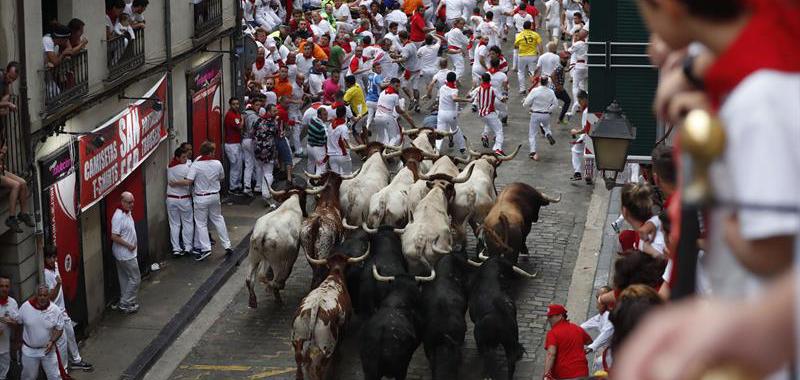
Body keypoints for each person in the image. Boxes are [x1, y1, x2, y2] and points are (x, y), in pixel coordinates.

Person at [174, 142, 233, 260]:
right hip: (215, 195)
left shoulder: (196, 165)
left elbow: (189, 181)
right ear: (210, 152)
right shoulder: (217, 163)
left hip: (201, 197)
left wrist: (175, 182)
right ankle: (227, 245)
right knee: (218, 219)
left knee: (201, 223)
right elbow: (222, 178)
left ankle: (206, 248)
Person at [43, 249, 92, 372]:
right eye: (50, 257)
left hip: (62, 310)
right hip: (54, 313)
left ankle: (76, 360)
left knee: (70, 333)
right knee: (62, 342)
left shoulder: (55, 265)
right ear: (45, 259)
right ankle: (63, 370)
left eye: (54, 257)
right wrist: (58, 285)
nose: (53, 260)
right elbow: (50, 297)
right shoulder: (45, 273)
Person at [19, 285, 64, 380]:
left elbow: (59, 328)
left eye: (45, 295)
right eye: (40, 295)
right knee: (28, 378)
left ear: (49, 296)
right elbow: (18, 324)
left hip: (48, 351)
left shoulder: (55, 310)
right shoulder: (25, 307)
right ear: (36, 295)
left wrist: (52, 341)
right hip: (29, 351)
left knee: (55, 377)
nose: (42, 298)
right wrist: (17, 343)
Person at [109, 192, 141, 312]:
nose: (132, 204)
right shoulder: (118, 216)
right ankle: (126, 302)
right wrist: (129, 246)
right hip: (126, 255)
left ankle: (126, 300)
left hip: (125, 254)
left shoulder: (127, 213)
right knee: (135, 278)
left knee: (125, 278)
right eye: (129, 202)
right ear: (122, 202)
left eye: (132, 201)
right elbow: (114, 236)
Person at [543, 304, 592, 380]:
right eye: (548, 317)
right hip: (583, 374)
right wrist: (584, 351)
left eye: (551, 317)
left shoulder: (553, 333)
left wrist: (546, 375)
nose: (548, 319)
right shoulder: (577, 328)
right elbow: (590, 341)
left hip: (564, 374)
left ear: (560, 316)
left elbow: (551, 354)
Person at [372, 77, 416, 146]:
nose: (398, 88)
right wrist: (410, 120)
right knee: (394, 138)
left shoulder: (382, 92)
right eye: (396, 86)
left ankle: (379, 150)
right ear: (391, 84)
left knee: (381, 138)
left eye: (399, 86)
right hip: (387, 118)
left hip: (377, 117)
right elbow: (399, 110)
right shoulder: (395, 96)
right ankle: (389, 150)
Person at [166, 148, 194, 256]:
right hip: (184, 198)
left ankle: (176, 248)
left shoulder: (169, 167)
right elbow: (190, 181)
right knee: (187, 223)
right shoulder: (187, 168)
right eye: (183, 157)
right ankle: (187, 247)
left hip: (171, 199)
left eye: (186, 157)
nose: (186, 159)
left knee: (174, 224)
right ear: (177, 157)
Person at [470, 72, 507, 154]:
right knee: (499, 130)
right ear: (490, 80)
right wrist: (505, 96)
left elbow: (469, 96)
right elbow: (502, 99)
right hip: (490, 113)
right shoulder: (493, 89)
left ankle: (484, 135)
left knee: (489, 123)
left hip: (481, 114)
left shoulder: (478, 88)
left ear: (482, 80)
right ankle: (498, 148)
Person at [0, 145, 34, 233]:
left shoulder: (2, 138)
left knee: (23, 183)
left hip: (2, 171)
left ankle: (23, 213)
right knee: (16, 185)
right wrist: (2, 153)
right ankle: (11, 218)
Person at [435, 72, 472, 153]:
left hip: (441, 114)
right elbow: (454, 98)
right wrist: (467, 100)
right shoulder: (454, 90)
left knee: (440, 133)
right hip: (451, 114)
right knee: (455, 129)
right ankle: (462, 147)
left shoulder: (442, 88)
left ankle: (436, 150)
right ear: (454, 80)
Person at [522, 76, 557, 161]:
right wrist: (549, 110)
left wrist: (524, 104)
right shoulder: (551, 92)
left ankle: (533, 152)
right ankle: (548, 134)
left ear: (540, 81)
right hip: (546, 114)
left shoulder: (535, 90)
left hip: (535, 114)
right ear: (547, 83)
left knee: (532, 134)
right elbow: (555, 104)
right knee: (546, 127)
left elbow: (527, 102)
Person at [580, 286, 614, 373]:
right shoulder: (602, 315)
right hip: (610, 349)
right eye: (597, 298)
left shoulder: (610, 315)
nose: (598, 302)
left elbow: (607, 332)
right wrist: (576, 329)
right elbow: (591, 322)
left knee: (600, 364)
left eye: (601, 299)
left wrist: (590, 348)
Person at [252, 105, 279, 207]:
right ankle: (266, 194)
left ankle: (259, 188)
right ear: (268, 111)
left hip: (258, 150)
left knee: (260, 170)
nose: (276, 112)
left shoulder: (258, 120)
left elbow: (252, 133)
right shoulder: (273, 122)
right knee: (268, 173)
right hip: (269, 151)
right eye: (273, 111)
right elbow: (277, 134)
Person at [242, 96, 264, 195]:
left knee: (248, 164)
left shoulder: (244, 114)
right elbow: (254, 130)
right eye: (257, 105)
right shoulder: (254, 116)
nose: (258, 107)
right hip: (252, 140)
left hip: (244, 140)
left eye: (260, 105)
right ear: (252, 105)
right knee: (258, 164)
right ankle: (258, 186)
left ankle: (247, 186)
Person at [514, 21, 543, 94]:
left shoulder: (519, 35)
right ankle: (533, 88)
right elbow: (540, 45)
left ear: (523, 27)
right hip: (533, 55)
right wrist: (541, 54)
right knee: (532, 72)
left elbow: (516, 46)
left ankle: (522, 89)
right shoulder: (535, 34)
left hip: (522, 56)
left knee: (521, 72)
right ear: (530, 26)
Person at [0, 276, 19, 380]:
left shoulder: (12, 303)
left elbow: (17, 323)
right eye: (1, 286)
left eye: (6, 286)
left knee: (3, 374)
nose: (4, 288)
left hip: (4, 347)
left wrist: (11, 322)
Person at [223, 97, 244, 193]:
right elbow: (239, 126)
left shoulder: (235, 114)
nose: (236, 106)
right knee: (235, 166)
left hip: (236, 143)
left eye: (237, 104)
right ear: (230, 105)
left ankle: (237, 185)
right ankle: (233, 187)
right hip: (231, 144)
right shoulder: (231, 115)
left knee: (238, 166)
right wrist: (242, 119)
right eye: (234, 104)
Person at [326, 105, 353, 175]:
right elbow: (346, 144)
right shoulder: (343, 128)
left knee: (336, 180)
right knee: (347, 176)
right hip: (342, 156)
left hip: (331, 157)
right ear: (344, 114)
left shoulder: (330, 125)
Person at [568, 29, 588, 113]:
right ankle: (585, 103)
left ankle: (578, 104)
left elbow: (567, 53)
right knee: (584, 86)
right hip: (588, 66)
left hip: (579, 66)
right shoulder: (588, 43)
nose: (576, 36)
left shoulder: (578, 43)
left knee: (575, 86)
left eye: (578, 35)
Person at [342, 75, 368, 142]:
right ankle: (368, 143)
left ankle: (363, 149)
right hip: (366, 112)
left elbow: (343, 102)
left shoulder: (349, 91)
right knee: (364, 127)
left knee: (355, 132)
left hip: (359, 115)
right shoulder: (357, 85)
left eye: (346, 82)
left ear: (348, 83)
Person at [305, 107, 329, 175]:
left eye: (326, 114)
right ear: (319, 115)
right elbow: (327, 138)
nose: (326, 117)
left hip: (309, 146)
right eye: (324, 115)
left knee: (310, 164)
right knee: (321, 167)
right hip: (319, 149)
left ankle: (310, 182)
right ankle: (318, 183)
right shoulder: (322, 128)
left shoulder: (312, 119)